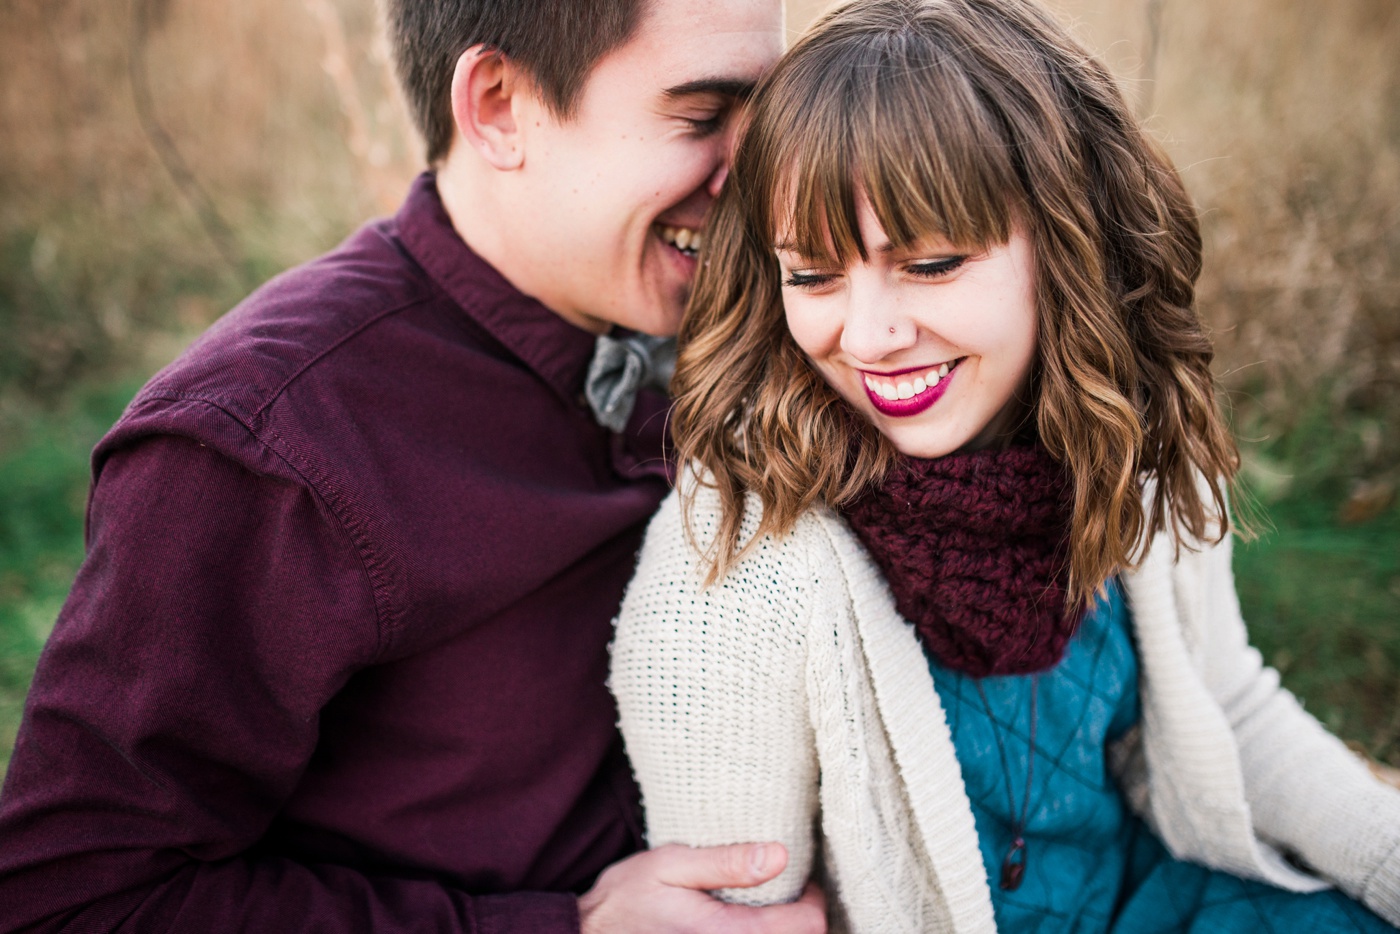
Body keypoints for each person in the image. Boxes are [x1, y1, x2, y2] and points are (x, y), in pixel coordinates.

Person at [0, 2, 826, 932]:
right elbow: (72, 900)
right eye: (705, 116)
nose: (763, 184)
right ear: (500, 105)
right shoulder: (266, 445)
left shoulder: (767, 321)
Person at [609, 0, 1400, 930]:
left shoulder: (1122, 441)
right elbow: (738, 912)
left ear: (1066, 245)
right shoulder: (736, 569)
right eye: (814, 276)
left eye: (932, 263)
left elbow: (1233, 711)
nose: (868, 335)